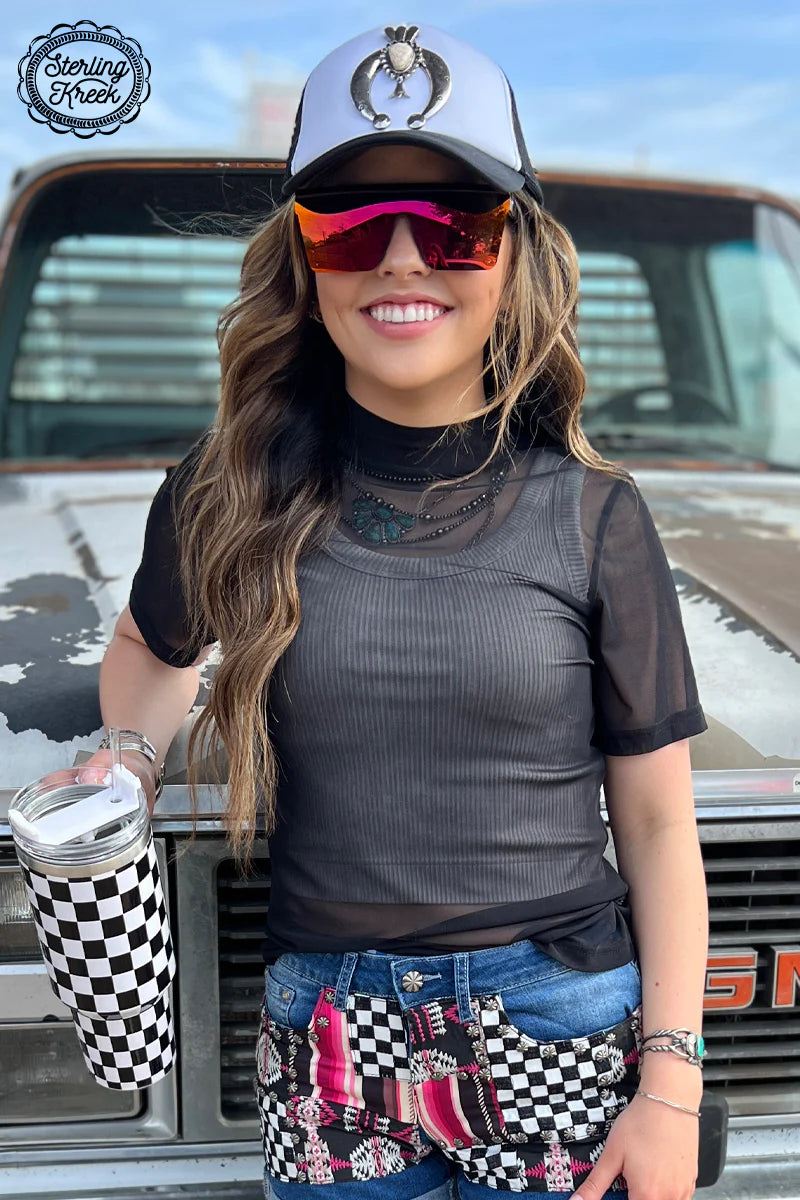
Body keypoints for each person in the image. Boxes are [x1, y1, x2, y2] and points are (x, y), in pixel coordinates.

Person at [91, 21, 710, 1200]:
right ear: (303, 260)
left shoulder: (595, 514)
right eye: (349, 224)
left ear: (512, 254)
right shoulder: (225, 488)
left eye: (452, 223)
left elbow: (654, 825)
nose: (401, 261)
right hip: (322, 1041)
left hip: (556, 1023)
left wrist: (668, 1088)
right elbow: (148, 650)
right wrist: (127, 753)